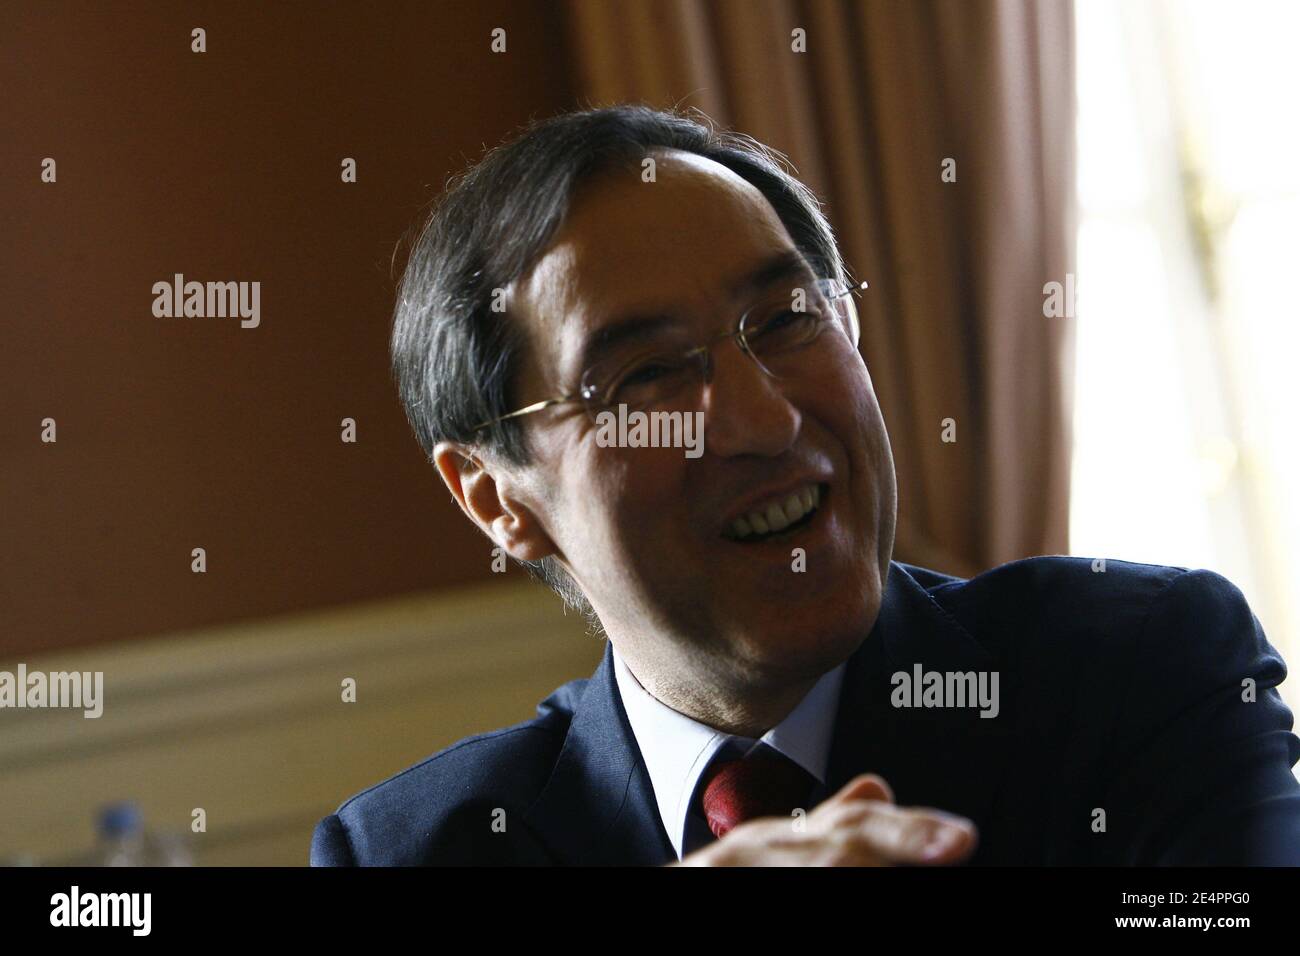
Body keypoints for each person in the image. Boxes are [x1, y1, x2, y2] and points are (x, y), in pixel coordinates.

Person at [310, 105, 1300, 866]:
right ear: (496, 498)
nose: (764, 419)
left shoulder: (1136, 672)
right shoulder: (414, 851)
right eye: (646, 373)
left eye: (785, 319)